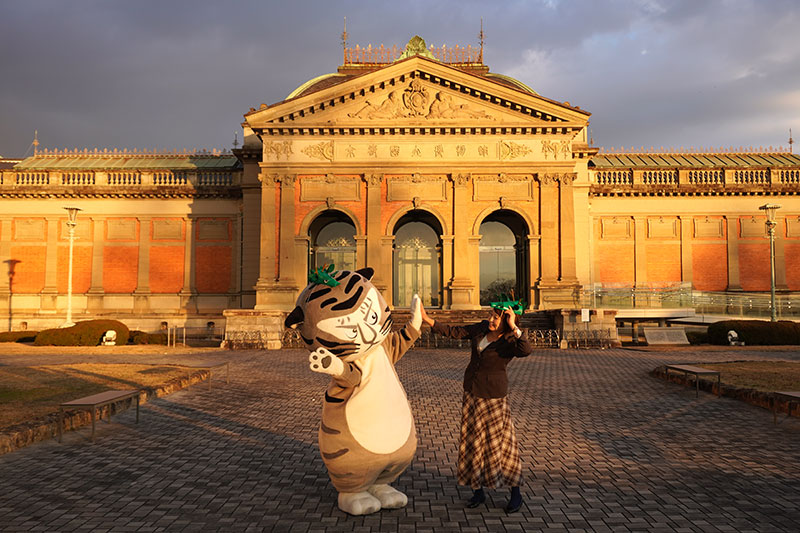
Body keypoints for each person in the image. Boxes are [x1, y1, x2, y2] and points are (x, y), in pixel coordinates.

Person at [419, 302, 532, 513]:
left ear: (507, 320)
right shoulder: (481, 328)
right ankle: (478, 491)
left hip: (494, 399)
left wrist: (513, 326)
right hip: (472, 392)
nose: (491, 319)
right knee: (473, 442)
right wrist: (428, 320)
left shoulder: (509, 341)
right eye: (491, 315)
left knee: (502, 446)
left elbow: (526, 350)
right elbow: (456, 331)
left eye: (496, 317)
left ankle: (516, 494)